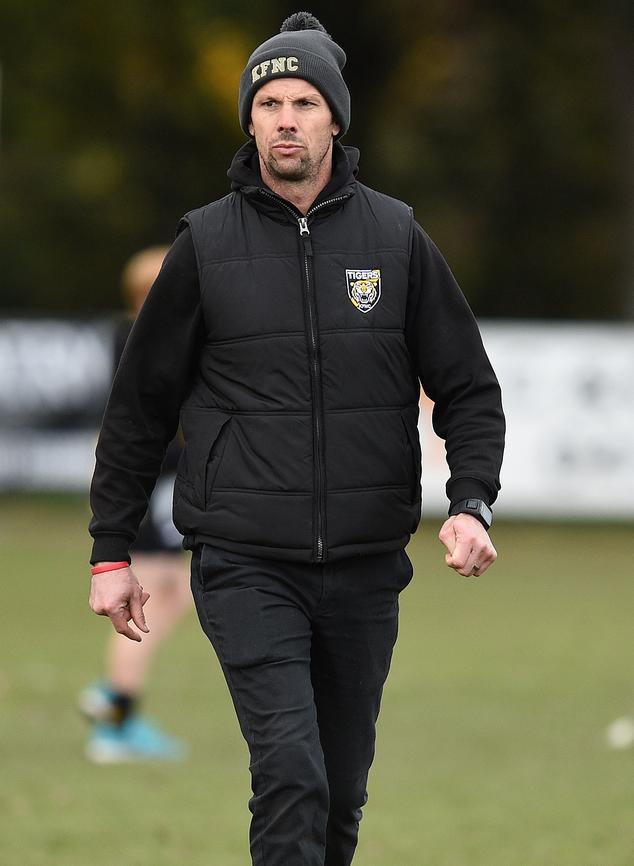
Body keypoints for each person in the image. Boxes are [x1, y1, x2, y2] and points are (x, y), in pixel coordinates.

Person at [88, 11, 505, 864]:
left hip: (364, 567)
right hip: (244, 561)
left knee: (340, 797)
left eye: (305, 101)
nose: (286, 117)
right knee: (291, 773)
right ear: (249, 119)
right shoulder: (204, 245)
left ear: (334, 119)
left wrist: (471, 502)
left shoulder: (396, 239)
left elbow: (468, 386)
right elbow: (137, 409)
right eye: (269, 101)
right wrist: (110, 551)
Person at [81, 247, 191, 763]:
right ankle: (117, 717)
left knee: (176, 591)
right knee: (142, 599)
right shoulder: (145, 338)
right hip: (154, 483)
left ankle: (114, 697)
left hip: (158, 481)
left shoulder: (124, 336)